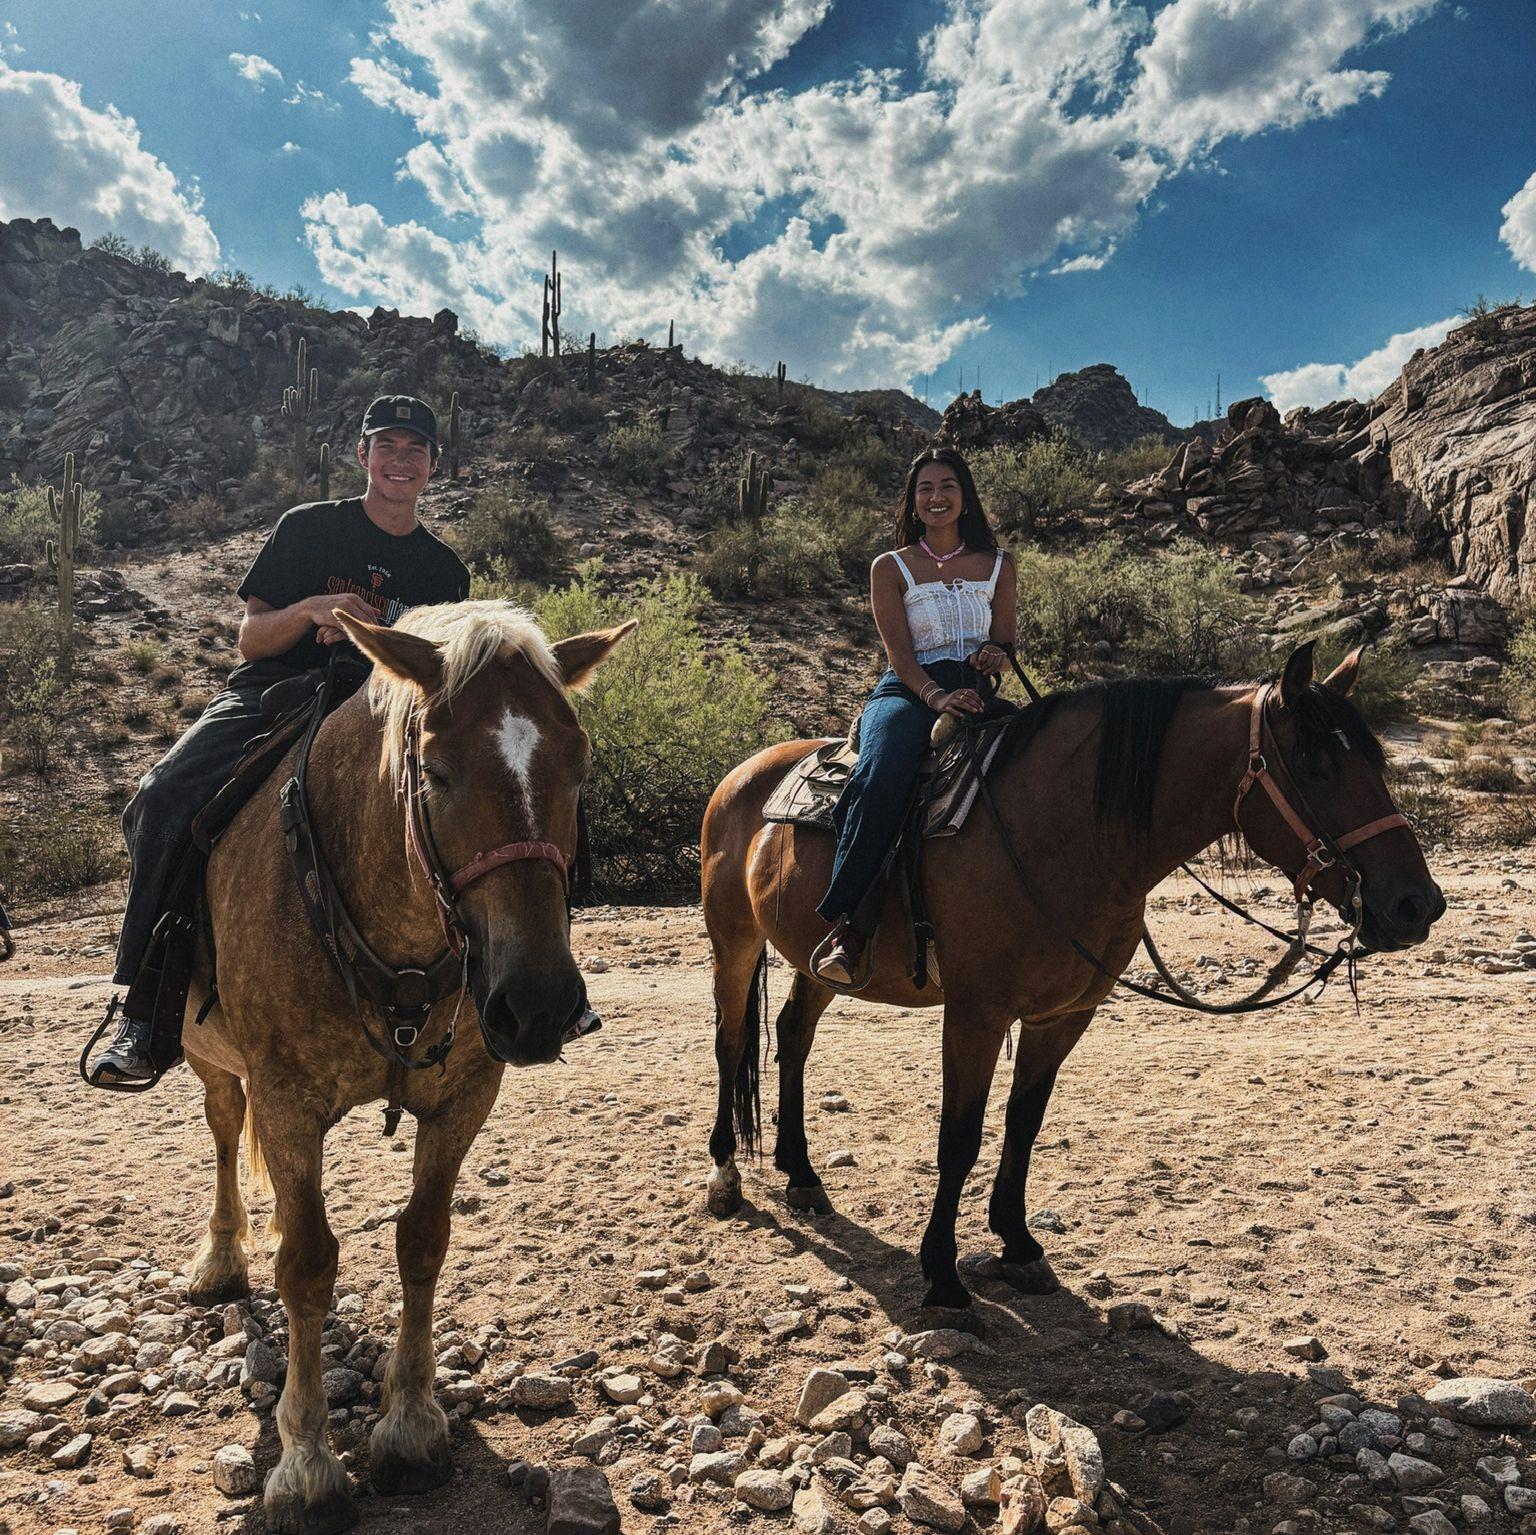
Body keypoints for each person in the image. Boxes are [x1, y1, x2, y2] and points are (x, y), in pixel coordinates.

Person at [89, 395, 470, 1083]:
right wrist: (310, 613)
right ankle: (144, 1010)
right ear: (362, 455)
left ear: (434, 466)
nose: (400, 461)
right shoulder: (307, 529)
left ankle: (520, 988)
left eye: (416, 449)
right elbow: (251, 635)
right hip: (275, 693)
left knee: (501, 786)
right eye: (388, 445)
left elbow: (439, 672)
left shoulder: (447, 573)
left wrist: (375, 645)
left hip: (383, 712)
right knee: (160, 796)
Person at [812, 446, 1016, 986]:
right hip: (907, 690)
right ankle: (849, 930)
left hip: (974, 691)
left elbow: (1005, 640)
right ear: (913, 501)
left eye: (948, 485)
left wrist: (994, 655)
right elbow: (899, 655)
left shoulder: (998, 565)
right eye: (926, 488)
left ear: (964, 495)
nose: (937, 497)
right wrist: (934, 696)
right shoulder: (892, 566)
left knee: (1047, 760)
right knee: (883, 773)